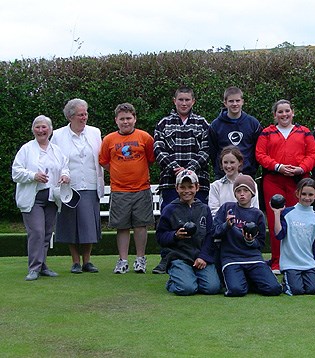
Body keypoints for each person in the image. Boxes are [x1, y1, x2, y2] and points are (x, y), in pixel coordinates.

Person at [255, 99, 315, 274]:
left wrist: (301, 168)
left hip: (297, 181)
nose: (284, 115)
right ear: (275, 115)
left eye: (287, 111)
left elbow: (313, 154)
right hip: (273, 180)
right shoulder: (267, 132)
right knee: (276, 219)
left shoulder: (304, 131)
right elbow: (260, 154)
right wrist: (278, 166)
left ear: (293, 112)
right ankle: (276, 262)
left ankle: (298, 260)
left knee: (295, 220)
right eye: (280, 112)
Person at [152, 87, 210, 274]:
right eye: (180, 99)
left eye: (187, 100)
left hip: (198, 182)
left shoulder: (202, 123)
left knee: (199, 224)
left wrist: (190, 169)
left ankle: (199, 258)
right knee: (170, 223)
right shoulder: (164, 123)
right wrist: (175, 168)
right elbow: (158, 149)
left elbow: (206, 149)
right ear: (174, 100)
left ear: (193, 101)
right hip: (170, 182)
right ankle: (167, 259)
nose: (184, 103)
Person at [12, 115, 70, 281]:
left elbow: (64, 168)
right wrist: (33, 176)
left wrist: (65, 176)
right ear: (33, 130)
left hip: (51, 197)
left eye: (44, 127)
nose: (41, 130)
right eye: (37, 127)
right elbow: (16, 172)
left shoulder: (56, 150)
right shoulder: (26, 149)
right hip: (33, 197)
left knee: (46, 233)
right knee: (36, 232)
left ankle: (42, 265)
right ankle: (34, 268)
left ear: (50, 130)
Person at [99, 103, 155, 274]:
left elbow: (151, 159)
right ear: (116, 120)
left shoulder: (145, 137)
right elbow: (104, 161)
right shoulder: (109, 140)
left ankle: (140, 260)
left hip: (141, 189)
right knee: (122, 227)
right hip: (119, 190)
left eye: (128, 118)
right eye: (122, 119)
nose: (125, 122)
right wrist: (119, 172)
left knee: (140, 226)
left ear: (135, 119)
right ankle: (122, 261)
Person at [51, 98, 104, 274]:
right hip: (69, 186)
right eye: (81, 115)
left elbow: (102, 157)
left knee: (88, 224)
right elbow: (55, 160)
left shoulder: (95, 132)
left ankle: (87, 261)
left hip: (90, 183)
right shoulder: (58, 135)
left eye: (86, 113)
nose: (84, 117)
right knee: (70, 224)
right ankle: (75, 261)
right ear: (70, 117)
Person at [213, 175, 282, 297]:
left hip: (253, 258)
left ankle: (249, 279)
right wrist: (226, 225)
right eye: (238, 191)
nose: (242, 194)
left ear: (252, 193)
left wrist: (250, 241)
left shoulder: (258, 214)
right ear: (235, 194)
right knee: (236, 290)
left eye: (246, 191)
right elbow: (215, 232)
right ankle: (243, 280)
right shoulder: (227, 208)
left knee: (274, 289)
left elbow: (260, 243)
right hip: (231, 259)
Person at [155, 170, 220, 296]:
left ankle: (190, 276)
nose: (186, 191)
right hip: (179, 257)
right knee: (187, 289)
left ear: (197, 187)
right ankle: (174, 281)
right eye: (182, 187)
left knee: (212, 288)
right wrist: (174, 235)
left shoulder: (204, 209)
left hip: (200, 257)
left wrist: (203, 257)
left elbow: (209, 236)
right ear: (176, 188)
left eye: (190, 187)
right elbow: (160, 236)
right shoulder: (169, 209)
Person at [273, 178, 315, 295]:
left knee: (312, 290)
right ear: (297, 194)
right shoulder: (287, 213)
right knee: (296, 290)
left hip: (308, 263)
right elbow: (279, 235)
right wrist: (276, 213)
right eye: (304, 194)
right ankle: (286, 281)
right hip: (291, 263)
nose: (307, 197)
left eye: (310, 194)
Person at [208, 86, 262, 180]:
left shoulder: (253, 123)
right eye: (231, 101)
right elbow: (213, 151)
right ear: (225, 103)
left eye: (237, 101)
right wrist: (219, 169)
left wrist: (252, 169)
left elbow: (258, 149)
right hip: (223, 176)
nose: (235, 104)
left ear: (242, 102)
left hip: (247, 174)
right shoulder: (215, 125)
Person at [208, 146, 259, 218]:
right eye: (225, 162)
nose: (228, 166)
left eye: (232, 162)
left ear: (240, 162)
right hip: (223, 226)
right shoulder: (215, 186)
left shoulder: (251, 184)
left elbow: (255, 209)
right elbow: (213, 211)